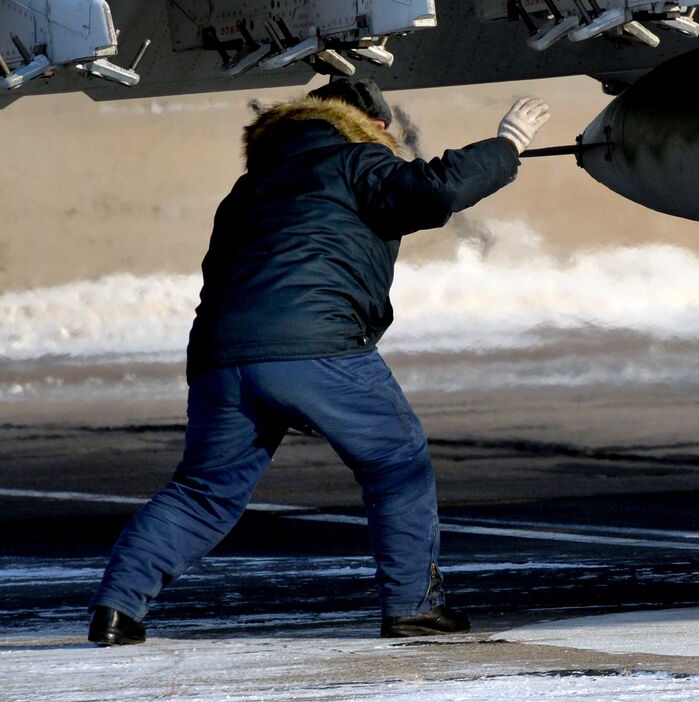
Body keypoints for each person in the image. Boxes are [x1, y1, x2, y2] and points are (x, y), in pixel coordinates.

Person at [86, 78, 550, 645]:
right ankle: (413, 607)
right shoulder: (357, 160)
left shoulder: (249, 187)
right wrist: (506, 147)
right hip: (315, 343)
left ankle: (116, 611)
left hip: (222, 357)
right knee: (396, 459)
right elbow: (432, 192)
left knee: (203, 491)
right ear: (373, 125)